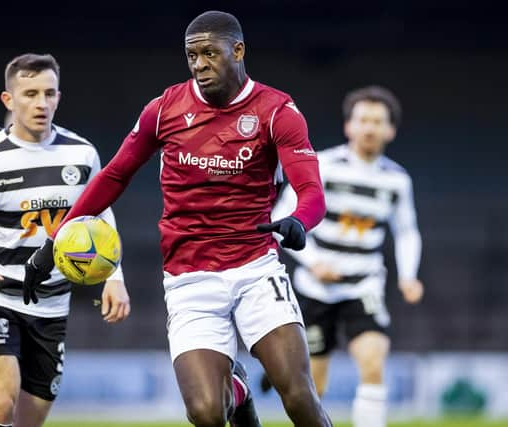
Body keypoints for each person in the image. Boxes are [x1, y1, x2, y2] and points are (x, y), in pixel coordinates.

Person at [24, 11, 332, 427]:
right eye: (192, 56)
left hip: (256, 268)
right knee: (206, 413)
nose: (200, 64)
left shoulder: (276, 110)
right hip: (190, 278)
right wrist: (53, 243)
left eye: (209, 53)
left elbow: (311, 191)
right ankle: (235, 390)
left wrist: (300, 220)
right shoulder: (164, 109)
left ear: (237, 50)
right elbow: (114, 175)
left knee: (298, 398)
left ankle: (240, 387)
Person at [0, 53, 131, 427]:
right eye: (30, 93)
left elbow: (100, 215)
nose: (41, 103)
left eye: (49, 93)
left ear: (59, 97)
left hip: (52, 305)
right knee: (2, 401)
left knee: (27, 421)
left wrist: (114, 278)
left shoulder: (82, 155)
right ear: (8, 100)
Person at [264, 86, 424, 427]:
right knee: (312, 385)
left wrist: (408, 276)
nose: (369, 128)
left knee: (373, 363)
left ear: (390, 130)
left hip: (363, 285)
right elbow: (283, 216)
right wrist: (313, 261)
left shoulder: (396, 180)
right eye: (363, 120)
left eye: (377, 122)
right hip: (313, 289)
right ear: (348, 126)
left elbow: (407, 230)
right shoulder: (322, 165)